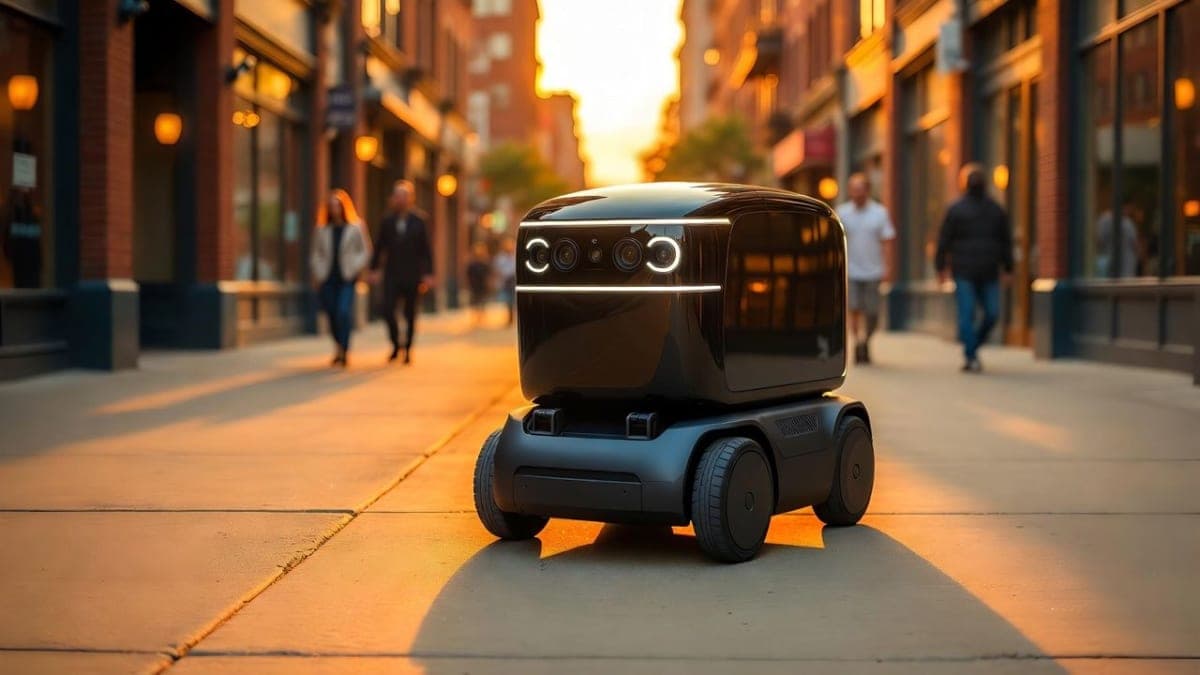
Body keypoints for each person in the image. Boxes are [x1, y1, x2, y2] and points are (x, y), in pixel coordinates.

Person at [935, 164, 1014, 373]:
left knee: (992, 314)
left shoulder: (995, 210)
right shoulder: (956, 210)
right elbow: (944, 240)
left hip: (988, 271)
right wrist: (940, 267)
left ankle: (973, 347)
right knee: (967, 314)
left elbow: (1005, 241)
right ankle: (971, 356)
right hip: (964, 272)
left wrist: (1008, 268)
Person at [369, 180, 434, 364]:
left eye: (403, 195)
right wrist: (373, 269)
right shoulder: (387, 221)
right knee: (387, 309)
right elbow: (379, 246)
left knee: (410, 313)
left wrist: (428, 274)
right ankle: (396, 343)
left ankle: (408, 349)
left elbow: (426, 250)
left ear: (410, 198)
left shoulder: (419, 221)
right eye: (397, 195)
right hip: (392, 274)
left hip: (413, 274)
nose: (400, 199)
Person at [835, 172, 895, 364]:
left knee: (872, 312)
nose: (856, 194)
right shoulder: (842, 213)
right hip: (850, 271)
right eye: (853, 190)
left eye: (860, 190)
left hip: (873, 271)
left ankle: (866, 339)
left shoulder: (880, 213)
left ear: (867, 191)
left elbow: (887, 241)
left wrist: (888, 267)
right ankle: (858, 343)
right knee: (853, 308)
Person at [310, 189, 372, 368]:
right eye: (331, 206)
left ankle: (344, 349)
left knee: (343, 312)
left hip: (347, 277)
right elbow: (315, 253)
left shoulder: (356, 226)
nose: (334, 209)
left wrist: (355, 267)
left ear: (344, 207)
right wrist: (318, 270)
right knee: (331, 313)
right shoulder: (322, 229)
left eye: (337, 205)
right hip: (327, 278)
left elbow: (365, 250)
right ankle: (338, 345)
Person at [466, 243, 492, 327]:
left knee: (481, 301)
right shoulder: (472, 264)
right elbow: (468, 274)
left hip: (481, 285)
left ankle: (480, 316)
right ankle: (477, 316)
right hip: (475, 285)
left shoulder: (484, 264)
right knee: (476, 301)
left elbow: (488, 274)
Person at [493, 238, 517, 326]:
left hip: (514, 279)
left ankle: (512, 317)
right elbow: (497, 269)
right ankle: (509, 317)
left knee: (514, 299)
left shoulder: (515, 256)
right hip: (506, 281)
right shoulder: (500, 258)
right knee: (507, 299)